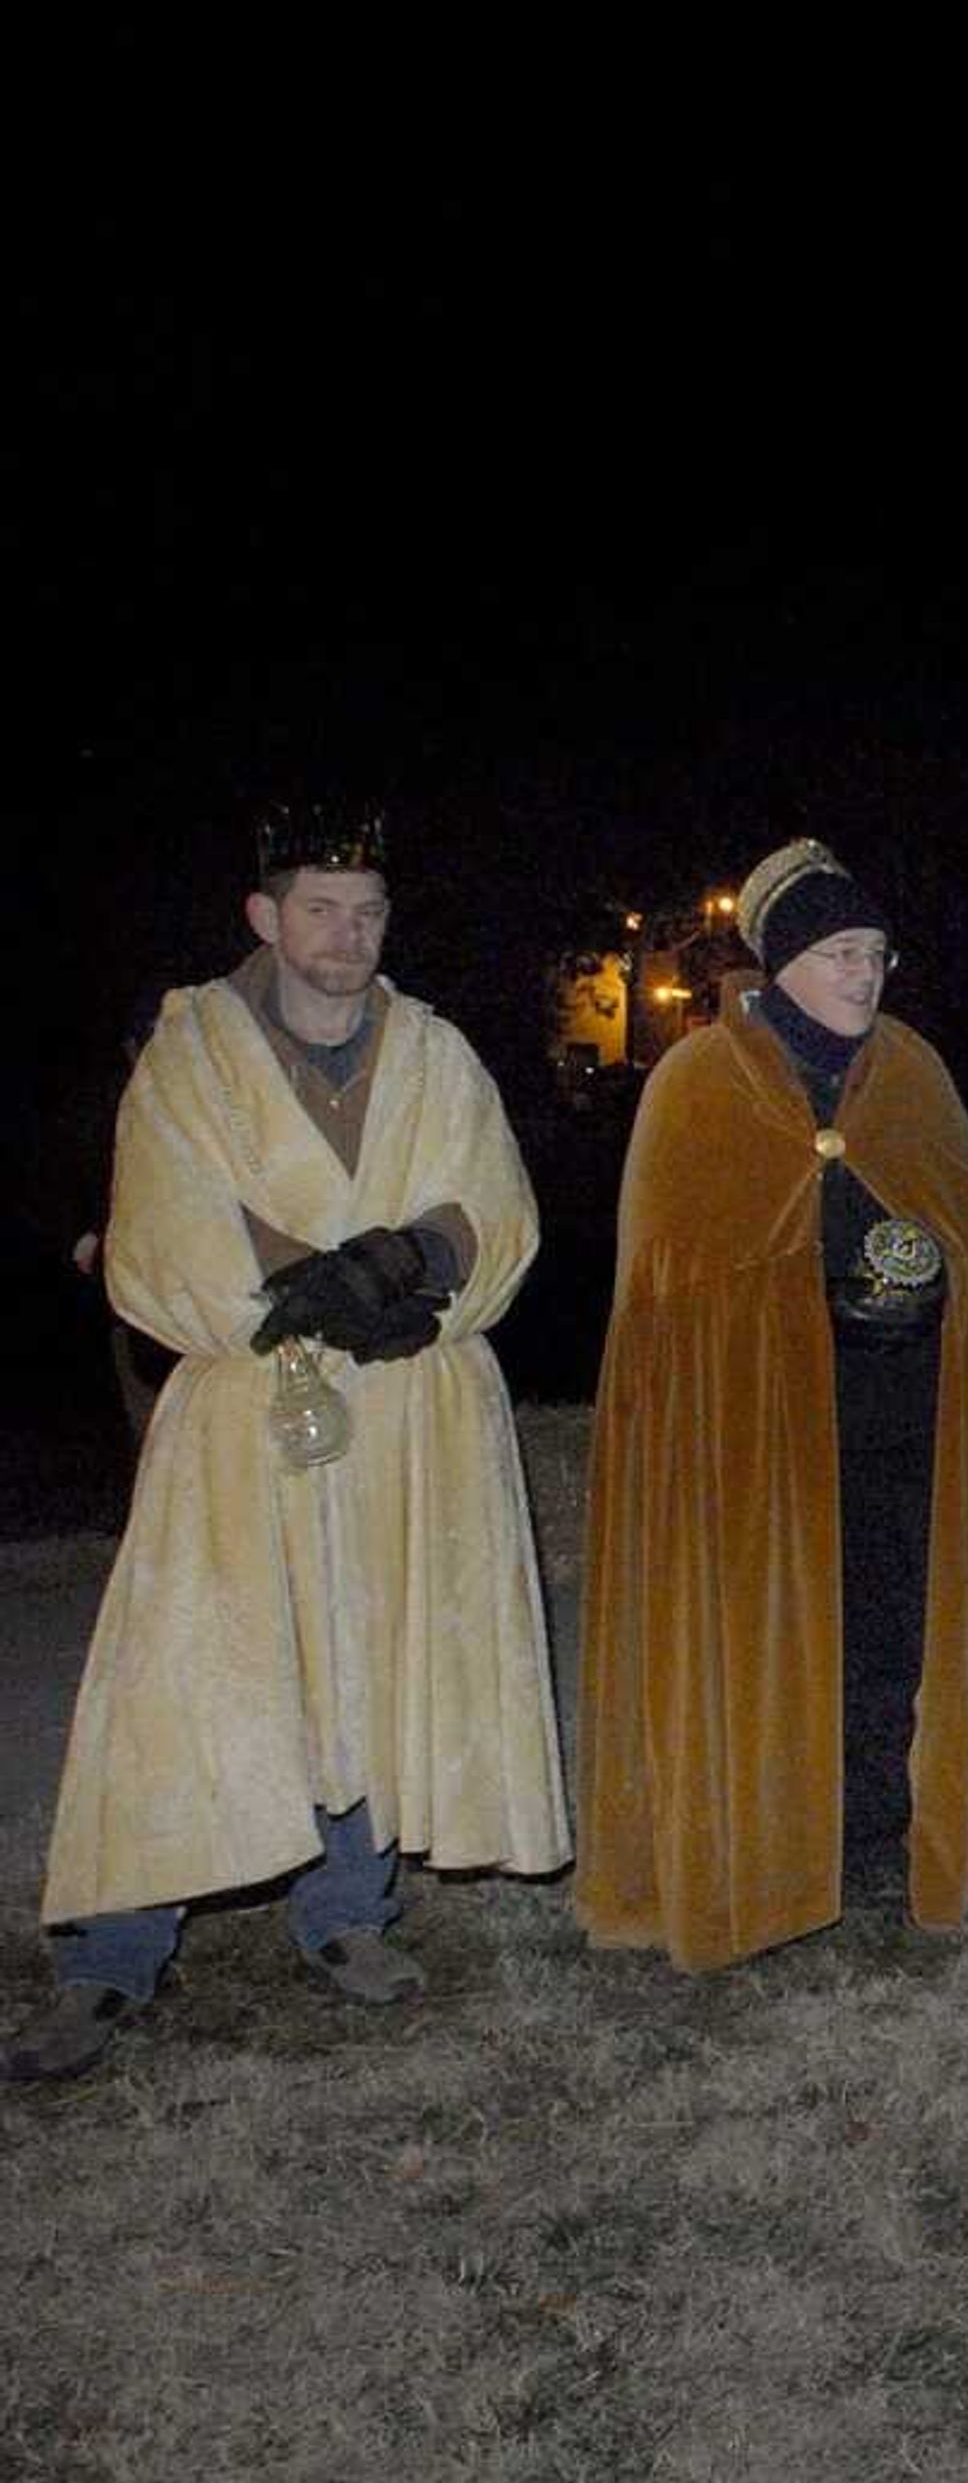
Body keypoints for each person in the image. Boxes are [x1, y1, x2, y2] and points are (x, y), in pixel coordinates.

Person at [8, 805, 566, 2084]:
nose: (345, 935)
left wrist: (420, 1259)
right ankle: (111, 1954)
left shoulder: (433, 1052)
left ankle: (349, 1914)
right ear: (265, 916)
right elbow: (156, 1225)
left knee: (374, 1646)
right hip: (246, 1403)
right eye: (318, 907)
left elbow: (494, 1201)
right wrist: (297, 1292)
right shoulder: (192, 1054)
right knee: (190, 1664)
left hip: (409, 1404)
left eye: (366, 910)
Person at [575, 840, 968, 1969]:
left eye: (875, 953)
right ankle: (771, 1848)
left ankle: (875, 1837)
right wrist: (810, 1293)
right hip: (755, 1428)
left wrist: (932, 1285)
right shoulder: (699, 1083)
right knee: (776, 1633)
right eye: (837, 954)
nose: (863, 976)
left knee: (889, 1625)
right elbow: (667, 1278)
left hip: (901, 1411)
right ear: (779, 964)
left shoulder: (911, 1071)